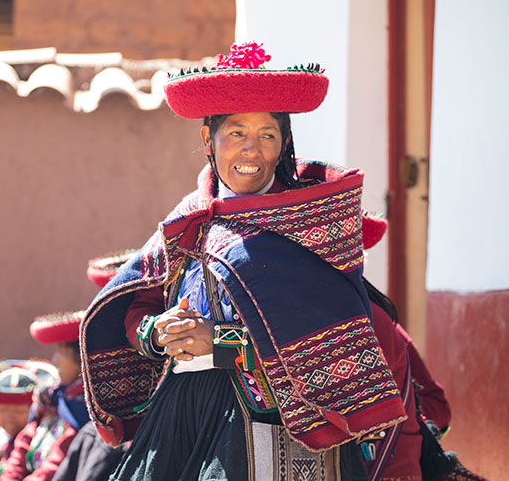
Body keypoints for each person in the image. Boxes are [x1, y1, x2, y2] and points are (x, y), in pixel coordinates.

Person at [80, 41, 409, 480]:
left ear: (284, 143)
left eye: (267, 136)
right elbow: (137, 308)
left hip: (276, 425)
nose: (250, 150)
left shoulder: (308, 226)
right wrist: (159, 334)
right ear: (208, 140)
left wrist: (217, 341)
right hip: (182, 417)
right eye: (236, 133)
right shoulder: (187, 224)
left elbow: (327, 342)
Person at [0, 312, 89, 481]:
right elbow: (23, 446)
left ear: (81, 358)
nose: (55, 359)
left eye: (62, 351)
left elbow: (57, 465)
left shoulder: (83, 411)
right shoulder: (49, 398)